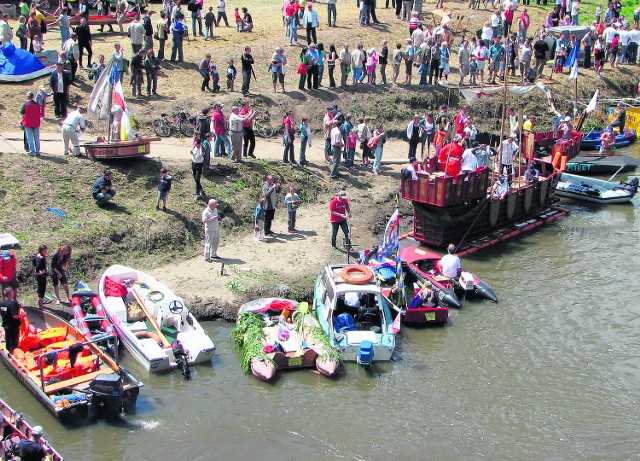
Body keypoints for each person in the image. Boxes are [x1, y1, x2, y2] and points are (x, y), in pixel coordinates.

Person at [0, 287, 25, 353]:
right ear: (11, 293)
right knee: (14, 342)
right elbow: (14, 316)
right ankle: (14, 355)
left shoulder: (2, 303)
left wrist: (19, 306)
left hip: (6, 325)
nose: (14, 293)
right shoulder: (12, 303)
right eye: (13, 292)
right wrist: (22, 315)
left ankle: (8, 352)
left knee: (8, 340)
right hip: (13, 326)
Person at [21, 91, 41, 157]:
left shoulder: (26, 104)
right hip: (36, 123)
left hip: (28, 123)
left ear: (28, 97)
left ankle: (32, 151)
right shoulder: (37, 105)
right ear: (33, 96)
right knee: (36, 138)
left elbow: (22, 112)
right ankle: (37, 151)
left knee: (30, 138)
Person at [33, 244, 48, 309]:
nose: (46, 252)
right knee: (42, 290)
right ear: (41, 251)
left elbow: (33, 262)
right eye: (45, 251)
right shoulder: (41, 258)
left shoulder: (37, 256)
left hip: (39, 276)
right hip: (41, 276)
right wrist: (41, 271)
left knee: (40, 289)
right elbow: (37, 267)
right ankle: (41, 306)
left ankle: (41, 304)